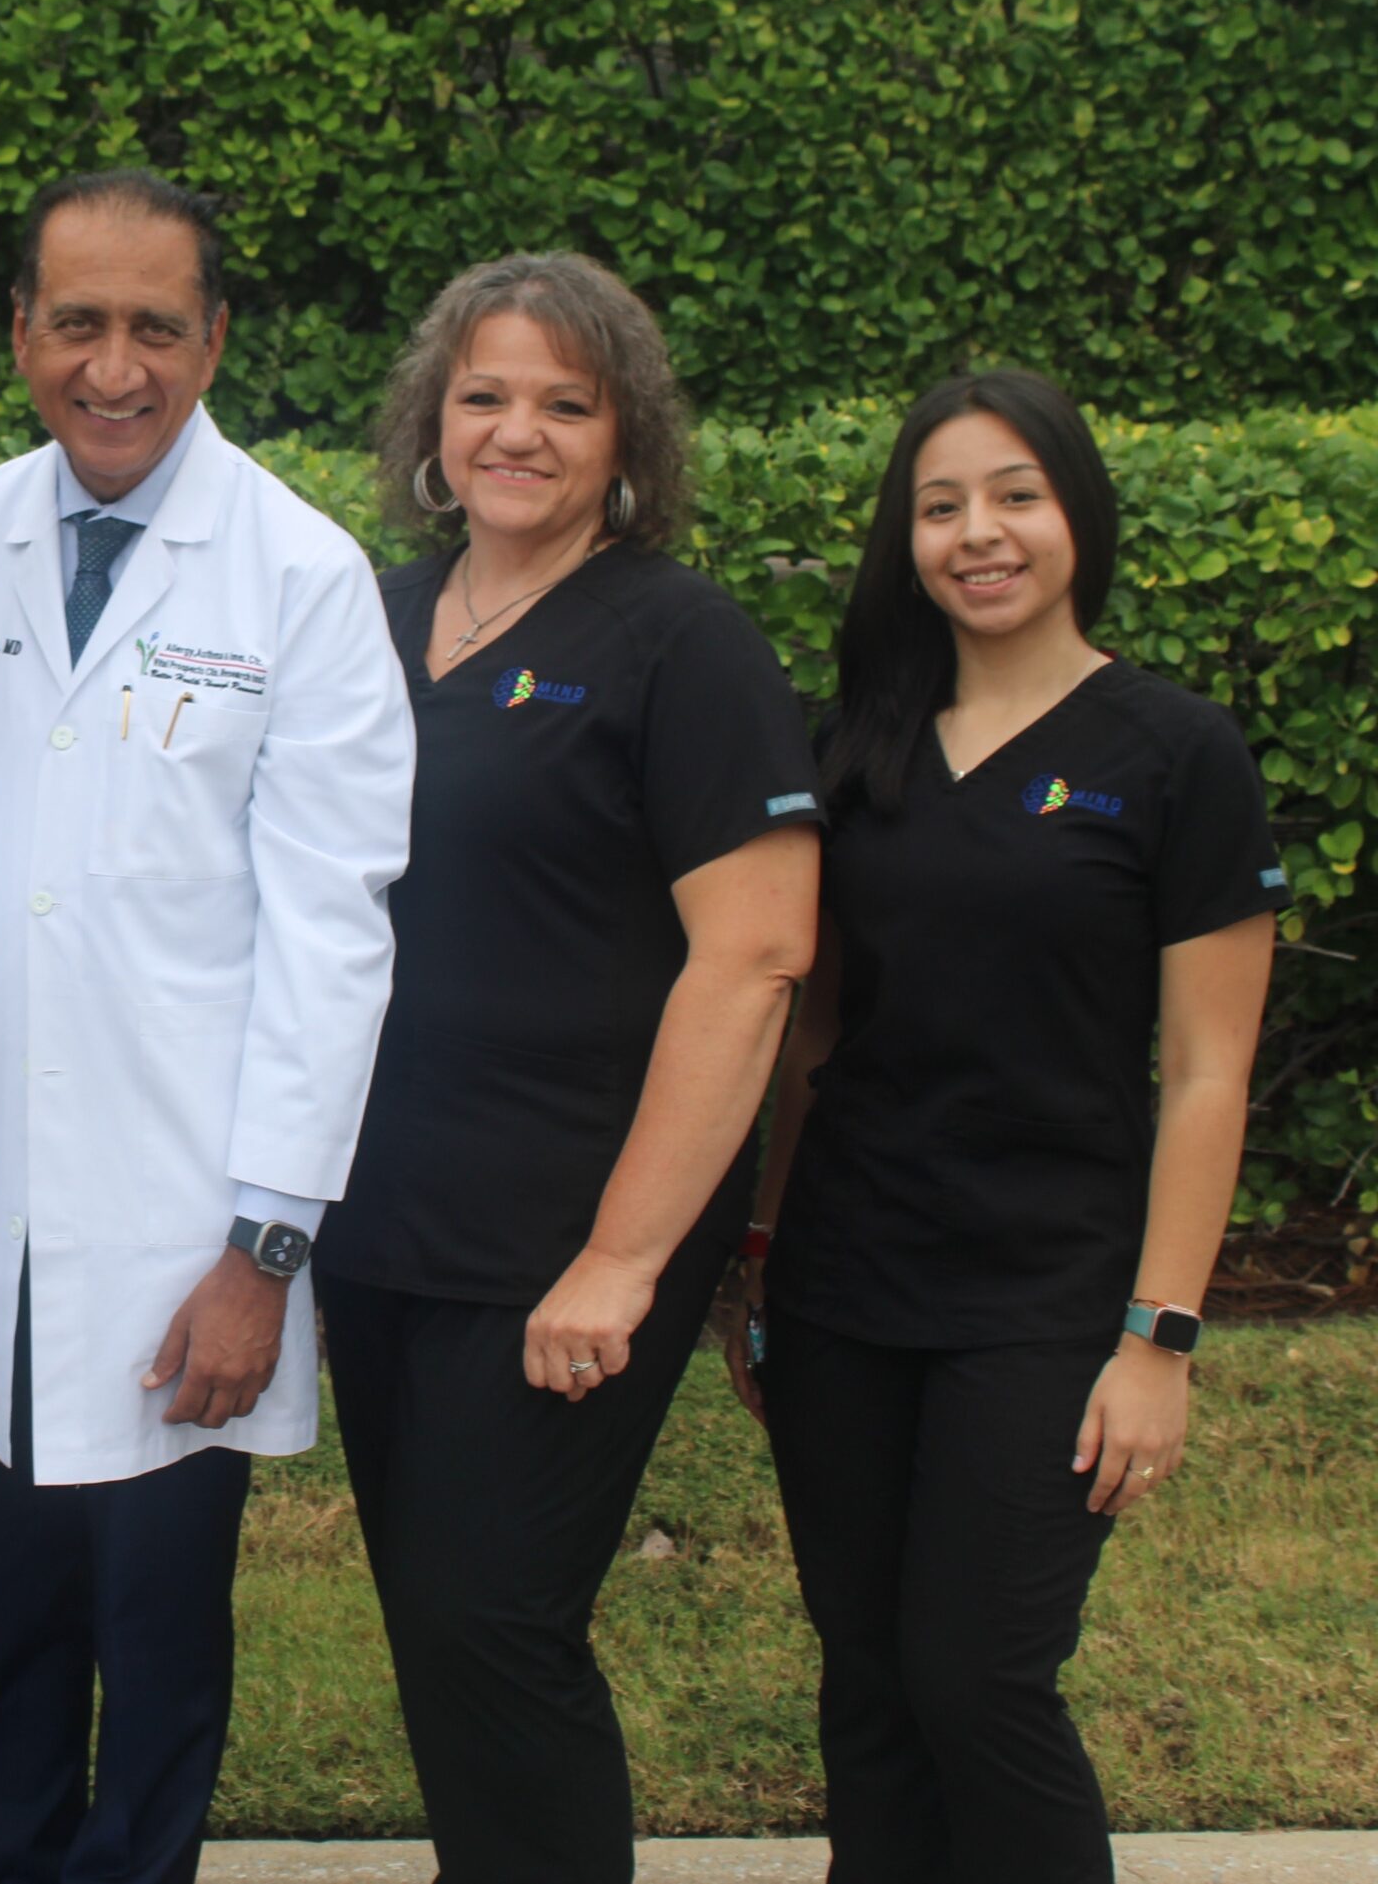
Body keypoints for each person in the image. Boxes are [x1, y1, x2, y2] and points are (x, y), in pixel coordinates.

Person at [0, 169, 414, 1884]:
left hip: (184, 1228)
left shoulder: (302, 576)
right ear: (19, 335)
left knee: (156, 1652)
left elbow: (334, 936)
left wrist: (264, 1248)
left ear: (214, 341)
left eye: (153, 326)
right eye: (76, 323)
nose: (111, 367)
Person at [312, 252, 825, 1882]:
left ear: (626, 439)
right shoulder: (368, 617)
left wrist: (623, 1255)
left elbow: (756, 957)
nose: (515, 431)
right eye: (483, 395)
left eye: (565, 402)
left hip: (570, 1231)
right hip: (377, 1219)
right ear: (431, 421)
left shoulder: (683, 641)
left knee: (497, 1618)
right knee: (437, 1622)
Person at [730, 369, 1282, 1884]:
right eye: (941, 506)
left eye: (1015, 496)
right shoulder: (856, 749)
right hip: (845, 1286)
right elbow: (816, 1033)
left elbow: (1208, 1073)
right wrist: (765, 1248)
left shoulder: (1176, 753)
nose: (980, 533)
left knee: (978, 1678)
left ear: (1076, 514)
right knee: (869, 1682)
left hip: (1045, 1296)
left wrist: (1159, 1338)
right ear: (906, 542)